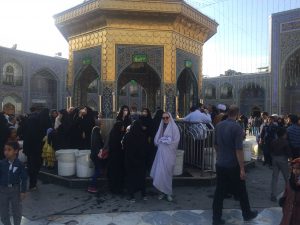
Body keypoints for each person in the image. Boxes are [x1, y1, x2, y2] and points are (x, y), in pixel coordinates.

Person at [212, 105, 257, 225]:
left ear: (227, 113)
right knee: (242, 191)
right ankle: (247, 214)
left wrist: (220, 156)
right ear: (237, 114)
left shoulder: (219, 125)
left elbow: (216, 145)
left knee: (219, 192)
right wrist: (242, 168)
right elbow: (238, 150)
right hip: (232, 165)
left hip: (221, 163)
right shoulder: (237, 128)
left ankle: (216, 219)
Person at [150, 112, 180, 202]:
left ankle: (168, 192)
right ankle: (162, 192)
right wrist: (160, 141)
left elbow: (176, 140)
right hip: (161, 153)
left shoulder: (174, 127)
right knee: (160, 172)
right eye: (163, 118)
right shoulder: (161, 127)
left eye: (167, 117)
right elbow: (156, 139)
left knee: (167, 173)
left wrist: (168, 143)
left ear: (170, 118)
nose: (165, 119)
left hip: (169, 154)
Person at [0, 142, 27, 225]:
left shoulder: (20, 164)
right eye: (5, 150)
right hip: (3, 190)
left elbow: (24, 178)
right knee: (3, 210)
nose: (6, 152)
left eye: (9, 150)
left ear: (15, 151)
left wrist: (23, 191)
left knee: (17, 210)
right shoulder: (1, 163)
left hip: (15, 189)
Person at [123, 120, 148, 202]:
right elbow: (146, 148)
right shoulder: (143, 136)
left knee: (131, 178)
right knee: (141, 178)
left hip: (130, 161)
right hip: (141, 161)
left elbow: (124, 147)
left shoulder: (127, 136)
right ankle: (143, 195)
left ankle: (132, 196)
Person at [270, 127, 292, 202]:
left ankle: (273, 195)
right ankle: (289, 194)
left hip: (274, 158)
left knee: (274, 177)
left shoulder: (274, 141)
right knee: (286, 177)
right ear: (284, 134)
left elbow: (271, 151)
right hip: (283, 159)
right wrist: (291, 163)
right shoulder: (285, 142)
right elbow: (289, 154)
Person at [279, 158, 300, 225]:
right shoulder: (290, 181)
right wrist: (283, 199)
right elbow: (287, 191)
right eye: (294, 168)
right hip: (288, 210)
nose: (295, 171)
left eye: (298, 169)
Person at [107, 121, 125, 194]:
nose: (123, 127)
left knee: (114, 173)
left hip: (113, 157)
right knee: (117, 174)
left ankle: (113, 188)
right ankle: (117, 189)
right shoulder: (117, 135)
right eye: (122, 126)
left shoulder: (114, 133)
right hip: (117, 158)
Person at [88, 119, 105, 193]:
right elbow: (97, 143)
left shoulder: (94, 131)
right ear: (99, 124)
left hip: (94, 154)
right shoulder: (96, 131)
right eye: (101, 124)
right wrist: (100, 151)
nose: (102, 125)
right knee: (98, 171)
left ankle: (92, 185)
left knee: (97, 170)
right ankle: (92, 186)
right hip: (96, 155)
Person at [140, 108, 155, 172]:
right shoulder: (140, 119)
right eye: (143, 111)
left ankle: (148, 166)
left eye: (146, 111)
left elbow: (152, 129)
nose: (144, 113)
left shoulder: (150, 120)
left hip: (148, 138)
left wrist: (146, 129)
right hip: (141, 138)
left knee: (148, 152)